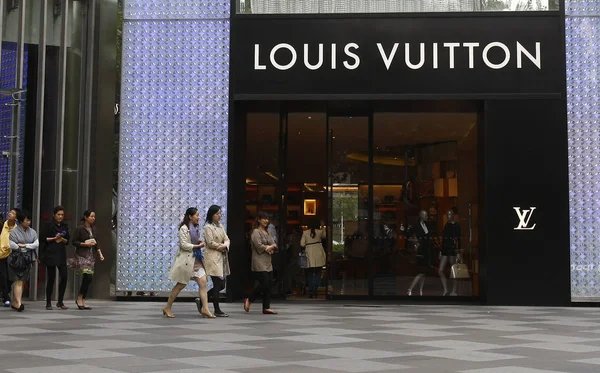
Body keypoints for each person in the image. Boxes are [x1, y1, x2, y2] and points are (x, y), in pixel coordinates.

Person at [162, 207, 215, 319]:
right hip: (187, 261)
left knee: (203, 282)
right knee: (180, 285)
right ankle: (167, 307)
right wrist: (197, 246)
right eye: (196, 215)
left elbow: (193, 241)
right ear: (190, 217)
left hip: (196, 259)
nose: (198, 217)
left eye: (199, 215)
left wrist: (198, 242)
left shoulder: (195, 228)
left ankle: (205, 309)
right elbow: (183, 245)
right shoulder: (184, 228)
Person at [244, 212, 277, 315]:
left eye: (267, 219)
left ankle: (266, 307)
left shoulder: (267, 232)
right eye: (264, 219)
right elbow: (258, 246)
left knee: (269, 284)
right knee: (265, 282)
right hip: (259, 261)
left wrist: (272, 247)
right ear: (259, 220)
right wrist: (268, 247)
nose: (266, 221)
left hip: (268, 261)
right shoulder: (256, 232)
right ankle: (249, 299)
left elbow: (274, 243)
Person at [71, 210, 105, 309]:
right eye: (91, 216)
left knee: (89, 278)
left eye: (94, 216)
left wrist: (100, 253)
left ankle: (82, 298)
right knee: (88, 277)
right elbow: (74, 242)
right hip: (82, 255)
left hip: (91, 256)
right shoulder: (80, 229)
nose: (93, 218)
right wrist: (85, 244)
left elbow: (96, 242)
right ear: (85, 217)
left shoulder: (94, 229)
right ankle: (80, 298)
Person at [8, 210, 38, 312]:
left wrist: (25, 245)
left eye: (29, 220)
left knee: (22, 280)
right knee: (18, 280)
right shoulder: (14, 232)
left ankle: (15, 302)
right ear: (21, 221)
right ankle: (18, 303)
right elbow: (13, 245)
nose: (28, 222)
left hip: (27, 259)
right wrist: (24, 247)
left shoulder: (32, 232)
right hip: (16, 258)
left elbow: (36, 244)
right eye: (26, 220)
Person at [40, 206, 70, 310]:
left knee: (64, 276)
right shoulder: (48, 225)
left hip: (61, 253)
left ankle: (60, 301)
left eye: (62, 215)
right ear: (54, 215)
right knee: (51, 278)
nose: (60, 217)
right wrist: (54, 238)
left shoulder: (65, 226)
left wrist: (62, 239)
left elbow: (68, 240)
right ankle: (48, 301)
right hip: (51, 253)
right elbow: (43, 238)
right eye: (58, 214)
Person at [204, 205, 231, 317]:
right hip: (213, 258)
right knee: (217, 284)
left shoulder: (220, 226)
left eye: (220, 213)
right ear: (212, 215)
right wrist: (222, 246)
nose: (219, 215)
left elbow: (227, 239)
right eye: (217, 213)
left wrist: (225, 245)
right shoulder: (208, 227)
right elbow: (210, 243)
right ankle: (217, 309)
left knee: (221, 285)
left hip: (222, 258)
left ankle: (202, 298)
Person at [408, 210, 433, 296]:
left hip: (426, 251)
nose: (427, 217)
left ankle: (420, 291)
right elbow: (409, 235)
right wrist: (415, 243)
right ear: (421, 216)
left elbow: (428, 237)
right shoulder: (416, 225)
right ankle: (410, 289)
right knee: (420, 272)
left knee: (424, 273)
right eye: (425, 215)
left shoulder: (426, 225)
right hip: (420, 251)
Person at [300, 219, 326, 298]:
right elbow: (324, 236)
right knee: (318, 272)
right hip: (318, 251)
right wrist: (323, 226)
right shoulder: (319, 231)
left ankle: (311, 290)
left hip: (309, 253)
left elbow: (302, 244)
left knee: (309, 273)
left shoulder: (305, 232)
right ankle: (315, 289)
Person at [439, 209, 461, 296]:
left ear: (453, 215)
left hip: (452, 250)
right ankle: (445, 289)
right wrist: (440, 251)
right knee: (440, 270)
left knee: (454, 271)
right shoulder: (446, 225)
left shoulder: (456, 226)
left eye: (450, 214)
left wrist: (458, 252)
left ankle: (454, 290)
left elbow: (459, 240)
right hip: (445, 250)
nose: (448, 216)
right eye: (447, 214)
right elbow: (444, 240)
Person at [0, 208, 18, 307]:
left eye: (13, 213)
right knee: (3, 275)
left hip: (13, 255)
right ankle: (6, 297)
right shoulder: (2, 225)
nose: (10, 214)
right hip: (1, 254)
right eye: (10, 212)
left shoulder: (17, 228)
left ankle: (4, 292)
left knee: (11, 277)